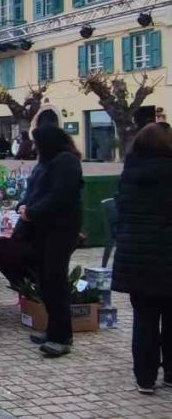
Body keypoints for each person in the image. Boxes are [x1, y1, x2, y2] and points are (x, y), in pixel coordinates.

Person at [113, 122, 172, 394]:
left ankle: (145, 378)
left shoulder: (129, 173)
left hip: (136, 259)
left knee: (144, 320)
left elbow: (120, 214)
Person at [17, 125, 83, 357]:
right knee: (44, 280)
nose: (33, 147)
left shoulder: (67, 162)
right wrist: (23, 205)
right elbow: (34, 190)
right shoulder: (45, 162)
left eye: (37, 142)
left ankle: (62, 335)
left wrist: (32, 212)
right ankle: (52, 328)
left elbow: (59, 196)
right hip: (41, 229)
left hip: (60, 230)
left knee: (55, 279)